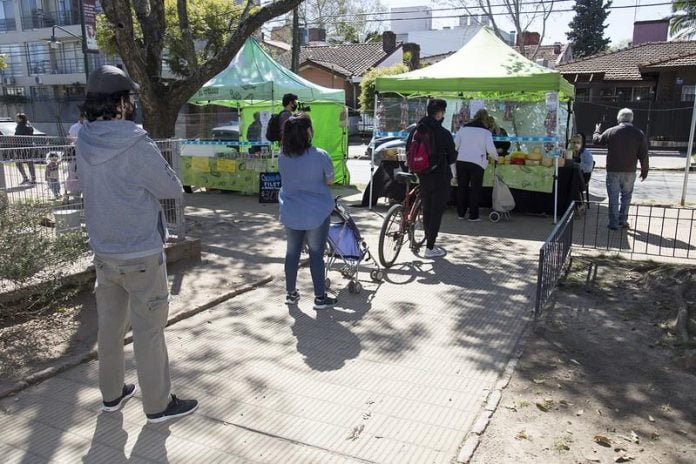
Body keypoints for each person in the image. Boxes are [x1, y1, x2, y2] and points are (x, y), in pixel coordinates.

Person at [76, 65, 198, 423]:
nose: (132, 104)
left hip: (104, 253)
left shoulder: (83, 141)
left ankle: (111, 396)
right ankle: (158, 405)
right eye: (129, 98)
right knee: (148, 332)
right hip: (141, 253)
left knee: (110, 330)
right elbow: (171, 188)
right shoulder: (135, 142)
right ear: (120, 102)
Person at [278, 114, 338, 310]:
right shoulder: (321, 155)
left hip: (291, 211)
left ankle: (290, 294)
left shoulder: (282, 156)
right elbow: (330, 181)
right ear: (307, 132)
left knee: (292, 252)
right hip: (316, 213)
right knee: (316, 254)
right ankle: (320, 298)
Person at [406, 99, 457, 258]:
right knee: (436, 211)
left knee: (427, 209)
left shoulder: (416, 129)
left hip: (422, 175)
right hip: (440, 176)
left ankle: (427, 241)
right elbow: (452, 157)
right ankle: (430, 247)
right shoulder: (444, 133)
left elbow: (408, 149)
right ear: (440, 113)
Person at [593, 108, 649, 230]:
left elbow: (597, 141)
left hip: (613, 169)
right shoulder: (639, 133)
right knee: (626, 196)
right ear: (631, 118)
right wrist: (644, 170)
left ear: (619, 118)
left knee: (613, 196)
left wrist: (597, 131)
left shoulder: (612, 131)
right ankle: (622, 220)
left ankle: (613, 222)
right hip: (630, 170)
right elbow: (643, 154)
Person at [454, 108, 498, 222]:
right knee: (475, 190)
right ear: (485, 119)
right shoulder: (486, 133)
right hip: (478, 162)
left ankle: (461, 214)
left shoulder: (463, 129)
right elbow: (491, 149)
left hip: (461, 161)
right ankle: (473, 216)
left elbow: (455, 145)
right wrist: (497, 158)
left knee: (461, 188)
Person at [15, 113, 36, 185]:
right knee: (22, 162)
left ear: (21, 119)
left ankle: (31, 179)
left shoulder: (22, 126)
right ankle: (27, 178)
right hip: (26, 146)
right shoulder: (27, 125)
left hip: (24, 147)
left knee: (28, 162)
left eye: (17, 118)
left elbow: (17, 136)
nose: (16, 119)